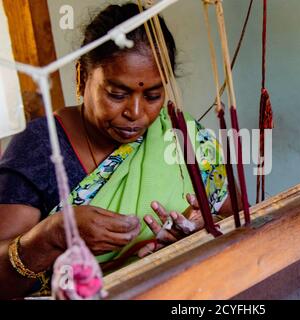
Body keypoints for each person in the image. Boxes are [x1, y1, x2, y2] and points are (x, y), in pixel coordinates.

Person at [0, 3, 235, 299]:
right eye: (117, 94)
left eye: (153, 95)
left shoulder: (180, 135)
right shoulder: (38, 147)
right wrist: (54, 235)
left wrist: (200, 234)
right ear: (82, 78)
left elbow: (242, 223)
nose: (136, 113)